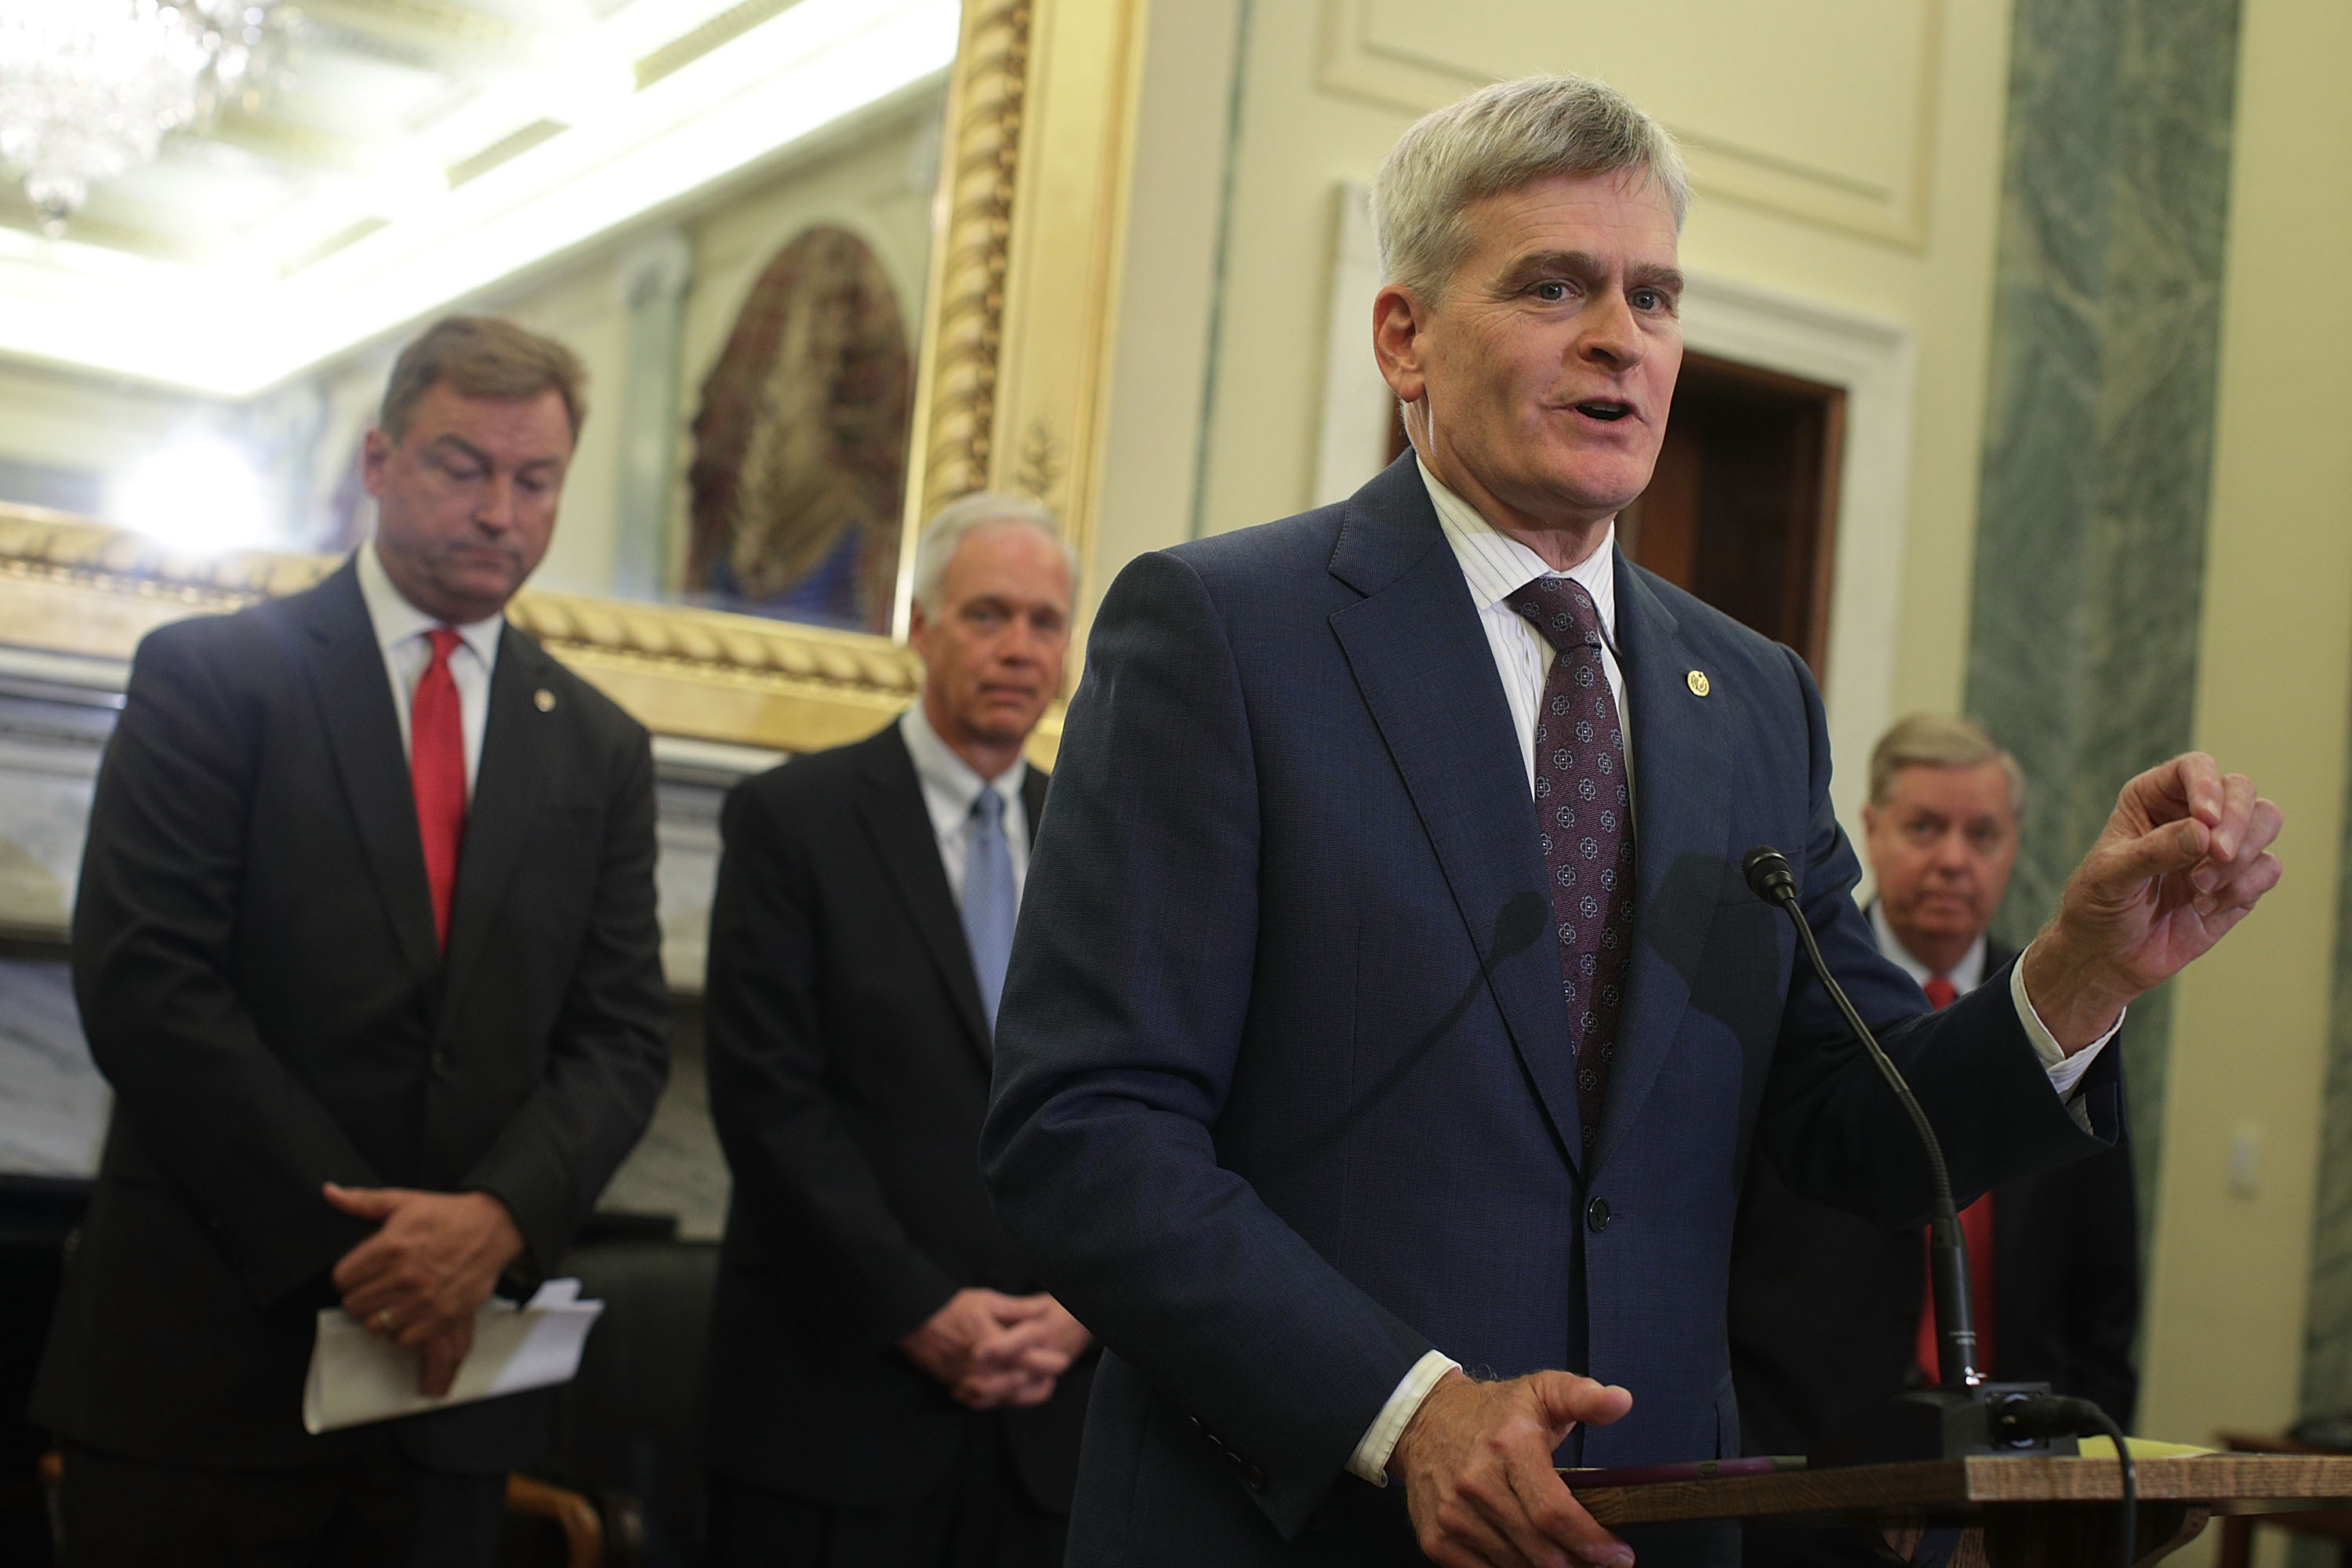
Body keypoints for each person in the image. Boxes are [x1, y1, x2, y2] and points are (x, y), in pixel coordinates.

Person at [978, 74, 2281, 1568]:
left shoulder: (1754, 698)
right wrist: (1408, 1411)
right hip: (1300, 1523)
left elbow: (1861, 1123)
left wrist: (2080, 974)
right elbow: (1086, 1134)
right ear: (1405, 337)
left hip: (1658, 1525)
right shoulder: (1225, 634)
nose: (1621, 337)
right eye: (1554, 287)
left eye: (1653, 296)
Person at [32, 316, 670, 1566]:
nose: (498, 511)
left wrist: (495, 1219)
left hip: (443, 1408)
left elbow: (623, 1038)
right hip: (204, 1374)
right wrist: (377, 1253)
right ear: (379, 461)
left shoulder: (598, 746)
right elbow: (147, 983)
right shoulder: (214, 677)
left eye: (535, 480)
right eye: (462, 466)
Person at [701, 492, 1095, 1568]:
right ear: (919, 625)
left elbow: (1151, 1103)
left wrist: (1088, 1308)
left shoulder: (1105, 839)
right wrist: (920, 1309)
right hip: (838, 1402)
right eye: (987, 614)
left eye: (1045, 622)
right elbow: (769, 1102)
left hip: (1051, 1412)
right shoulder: (794, 820)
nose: (1019, 648)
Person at [1728, 715, 2141, 1566]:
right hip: (1807, 1475)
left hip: (2016, 1484)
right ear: (1871, 829)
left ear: (2013, 845)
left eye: (1981, 834)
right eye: (1924, 827)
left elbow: (2103, 1286)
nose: (1954, 859)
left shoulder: (2061, 1018)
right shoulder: (1793, 996)